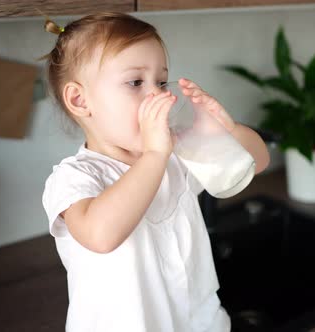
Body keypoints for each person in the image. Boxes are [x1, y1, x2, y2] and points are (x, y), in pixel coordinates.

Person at [40, 11, 270, 332]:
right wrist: (154, 154)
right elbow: (100, 234)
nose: (159, 93)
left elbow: (257, 161)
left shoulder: (173, 154)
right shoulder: (74, 178)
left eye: (161, 81)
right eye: (136, 82)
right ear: (80, 100)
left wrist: (227, 129)